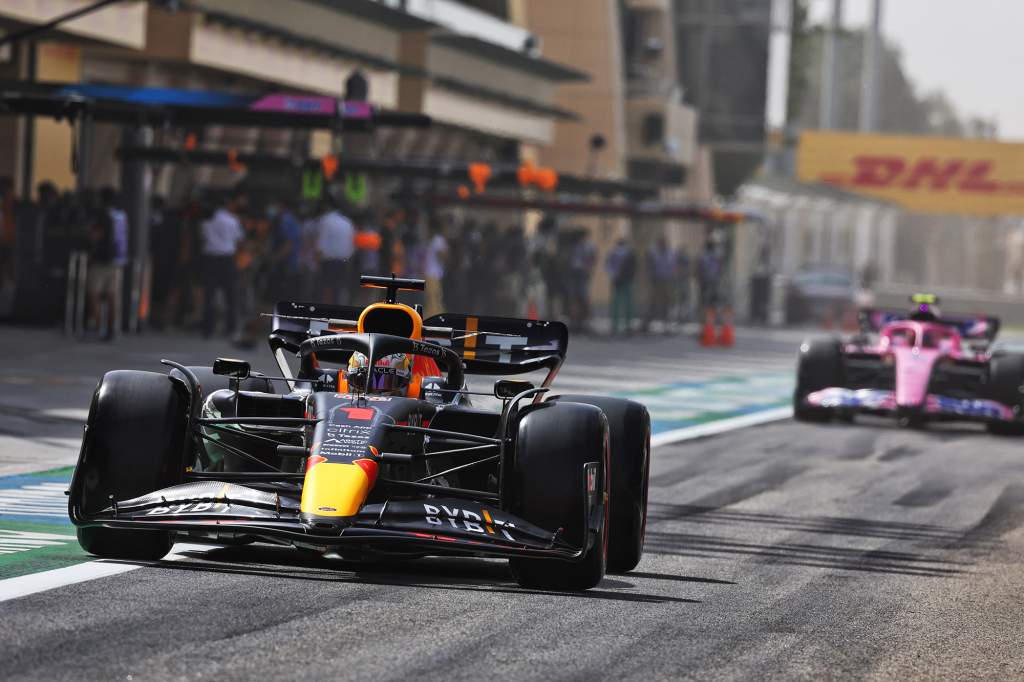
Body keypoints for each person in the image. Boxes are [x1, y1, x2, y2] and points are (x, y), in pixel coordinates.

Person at [199, 194, 245, 338]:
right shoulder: (232, 220)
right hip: (227, 259)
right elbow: (239, 240)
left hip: (210, 259)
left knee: (209, 295)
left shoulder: (206, 220)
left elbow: (203, 238)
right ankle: (230, 328)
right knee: (231, 296)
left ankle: (208, 329)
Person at [85, 205, 117, 339]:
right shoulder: (116, 219)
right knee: (111, 296)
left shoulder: (99, 220)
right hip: (112, 261)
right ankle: (111, 328)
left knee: (94, 295)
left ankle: (99, 328)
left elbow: (94, 237)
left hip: (99, 262)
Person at [315, 201, 355, 304]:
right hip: (343, 262)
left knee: (325, 290)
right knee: (338, 291)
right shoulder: (348, 223)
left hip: (328, 262)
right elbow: (351, 246)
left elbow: (321, 244)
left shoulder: (325, 220)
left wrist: (317, 263)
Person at [644, 235, 676, 333]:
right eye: (660, 243)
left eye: (663, 243)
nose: (662, 245)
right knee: (653, 303)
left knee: (667, 303)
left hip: (667, 280)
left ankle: (667, 325)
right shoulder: (654, 252)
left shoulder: (670, 253)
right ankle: (647, 324)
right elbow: (649, 261)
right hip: (657, 280)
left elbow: (673, 266)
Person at [605, 237, 636, 336]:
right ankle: (624, 325)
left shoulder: (615, 253)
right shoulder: (627, 254)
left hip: (620, 280)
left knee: (619, 303)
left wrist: (613, 275)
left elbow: (608, 267)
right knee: (623, 303)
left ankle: (618, 325)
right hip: (623, 280)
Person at [422, 219, 448, 317]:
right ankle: (432, 315)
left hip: (434, 273)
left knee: (434, 297)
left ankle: (435, 316)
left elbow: (443, 255)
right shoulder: (432, 240)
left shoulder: (438, 240)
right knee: (432, 297)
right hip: (430, 273)